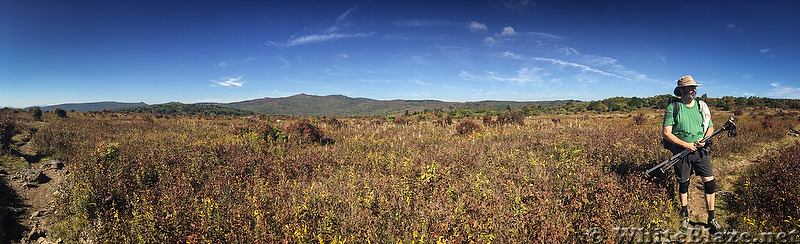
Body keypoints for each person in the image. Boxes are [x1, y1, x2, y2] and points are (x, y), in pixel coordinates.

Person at [662, 75, 725, 234]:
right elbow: (666, 133)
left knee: (710, 183)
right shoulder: (673, 107)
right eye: (690, 87)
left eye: (695, 87)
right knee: (683, 183)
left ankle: (711, 219)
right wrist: (685, 145)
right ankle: (684, 214)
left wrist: (705, 139)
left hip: (701, 152)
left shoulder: (701, 106)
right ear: (681, 90)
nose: (694, 90)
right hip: (681, 153)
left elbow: (710, 127)